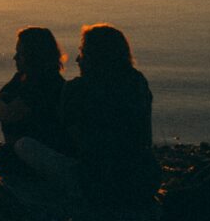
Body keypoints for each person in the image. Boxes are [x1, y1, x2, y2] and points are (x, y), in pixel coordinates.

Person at [59, 23, 162, 208]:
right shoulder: (137, 82)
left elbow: (74, 142)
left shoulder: (77, 89)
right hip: (146, 179)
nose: (77, 59)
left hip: (98, 183)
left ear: (92, 56)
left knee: (25, 146)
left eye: (82, 52)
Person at [0, 26, 74, 179]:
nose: (15, 58)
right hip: (20, 148)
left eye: (20, 54)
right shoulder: (21, 78)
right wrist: (1, 105)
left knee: (16, 151)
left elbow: (9, 114)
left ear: (34, 56)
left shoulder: (47, 83)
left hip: (43, 150)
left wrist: (1, 104)